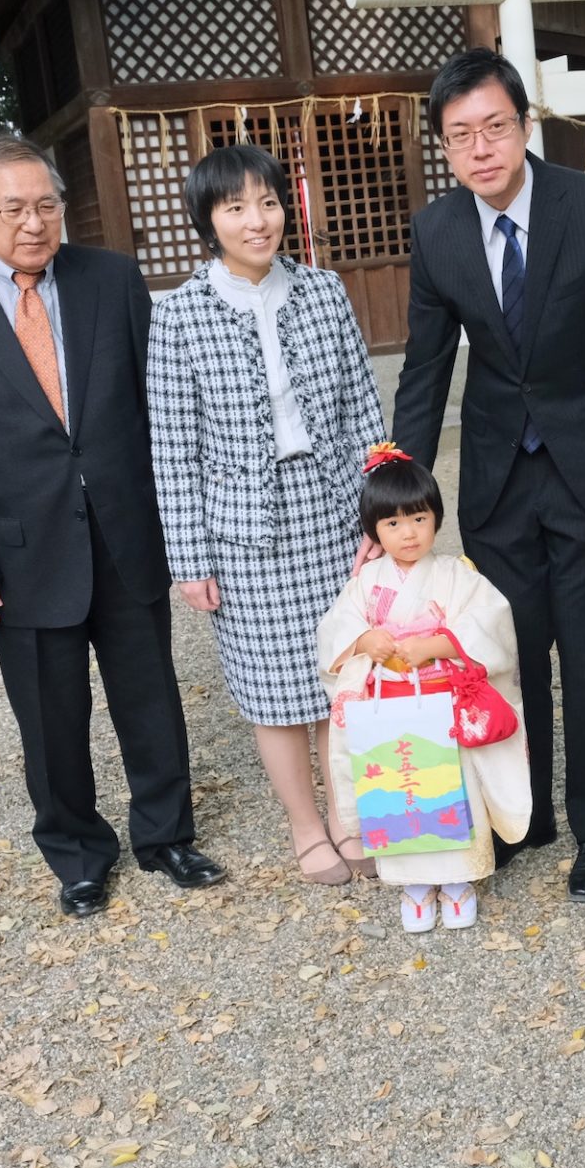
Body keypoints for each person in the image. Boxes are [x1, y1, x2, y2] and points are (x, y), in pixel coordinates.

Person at [0, 136, 225, 919]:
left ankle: (166, 832)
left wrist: (181, 528)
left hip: (124, 529)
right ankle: (77, 852)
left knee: (149, 694)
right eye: (12, 208)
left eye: (47, 205)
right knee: (50, 716)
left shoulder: (110, 279)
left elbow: (159, 414)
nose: (34, 222)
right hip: (18, 549)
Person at [393, 48, 585, 903]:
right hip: (498, 478)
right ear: (444, 145)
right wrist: (397, 490)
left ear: (524, 125)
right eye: (460, 135)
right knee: (505, 657)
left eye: (495, 128)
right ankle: (524, 816)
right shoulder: (438, 231)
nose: (481, 149)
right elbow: (425, 368)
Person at [148, 144, 387, 886]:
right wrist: (189, 559)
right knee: (273, 688)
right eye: (235, 206)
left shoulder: (324, 291)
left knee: (342, 674)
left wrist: (379, 518)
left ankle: (351, 815)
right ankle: (306, 824)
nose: (258, 220)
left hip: (334, 511)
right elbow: (171, 445)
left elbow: (364, 410)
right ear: (207, 220)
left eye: (269, 202)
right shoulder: (180, 315)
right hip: (244, 528)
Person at [318, 448, 531, 931]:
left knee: (451, 792)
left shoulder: (458, 575)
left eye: (418, 518)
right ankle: (414, 886)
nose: (409, 533)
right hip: (390, 707)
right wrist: (364, 640)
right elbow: (335, 634)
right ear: (373, 531)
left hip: (444, 704)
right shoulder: (365, 583)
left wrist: (437, 643)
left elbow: (491, 624)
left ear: (436, 517)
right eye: (392, 524)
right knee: (402, 795)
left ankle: (458, 882)